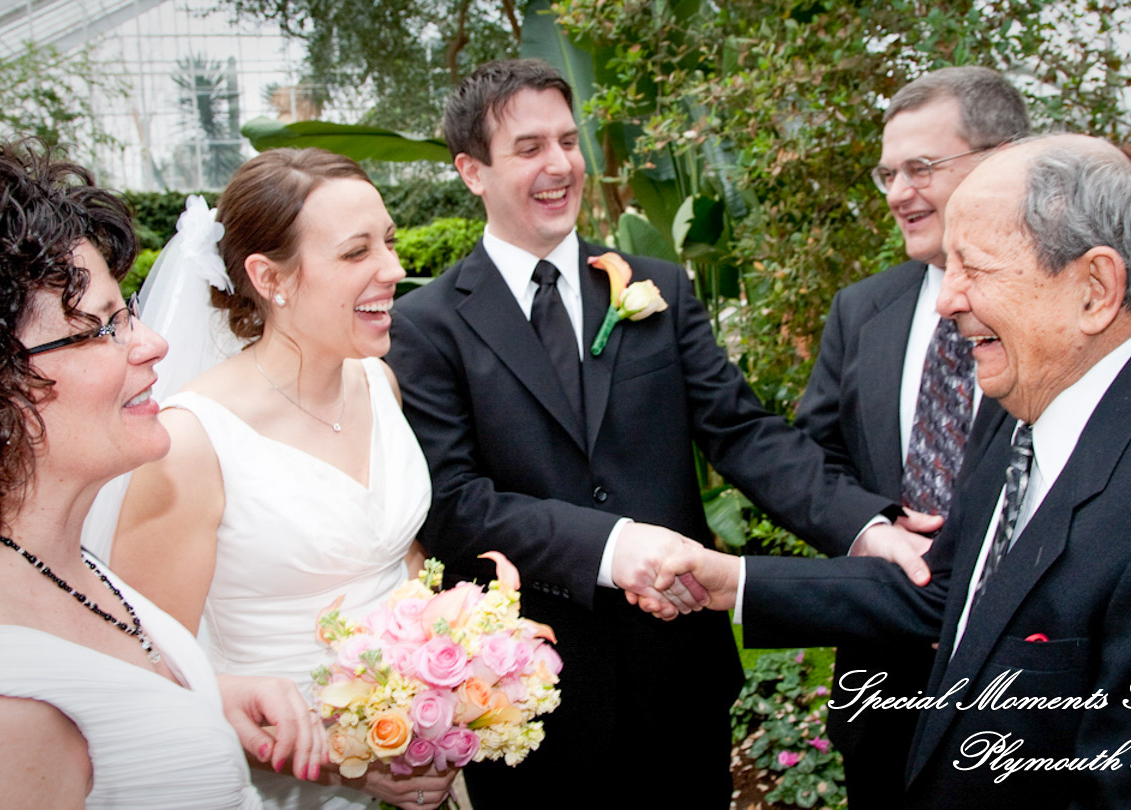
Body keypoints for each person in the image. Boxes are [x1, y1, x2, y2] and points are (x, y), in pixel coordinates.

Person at [651, 134, 1131, 807]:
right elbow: (952, 599)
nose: (947, 301)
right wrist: (734, 582)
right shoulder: (1021, 413)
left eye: (975, 269)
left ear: (1094, 288)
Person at [384, 58, 918, 808]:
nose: (560, 165)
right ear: (472, 170)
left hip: (679, 678)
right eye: (529, 147)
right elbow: (457, 505)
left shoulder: (655, 288)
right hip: (525, 696)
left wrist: (865, 528)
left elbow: (741, 432)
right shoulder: (426, 326)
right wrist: (614, 548)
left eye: (569, 141)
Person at [0, 141, 323, 810]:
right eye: (100, 329)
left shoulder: (38, 549)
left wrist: (204, 697)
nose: (152, 344)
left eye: (131, 311)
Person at [109, 148, 455, 810]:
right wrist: (343, 764)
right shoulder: (191, 442)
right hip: (280, 783)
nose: (394, 269)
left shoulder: (378, 382)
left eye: (388, 241)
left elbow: (393, 557)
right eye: (357, 253)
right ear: (271, 277)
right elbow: (152, 671)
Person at [796, 66, 1031, 802]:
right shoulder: (862, 309)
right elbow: (816, 456)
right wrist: (871, 530)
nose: (898, 193)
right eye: (888, 172)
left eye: (921, 168)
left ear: (1003, 159)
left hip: (1031, 689)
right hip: (884, 686)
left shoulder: (1076, 310)